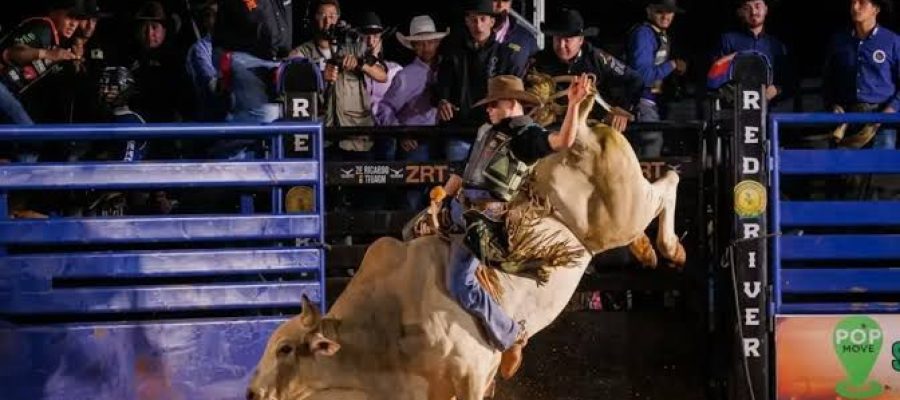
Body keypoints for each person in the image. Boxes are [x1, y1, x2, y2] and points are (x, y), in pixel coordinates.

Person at [440, 73, 592, 380]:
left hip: (484, 218)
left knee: (460, 283)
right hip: (460, 206)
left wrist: (574, 105)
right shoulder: (489, 131)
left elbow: (562, 141)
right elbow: (465, 170)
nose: (488, 109)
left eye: (493, 104)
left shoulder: (527, 136)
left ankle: (510, 336)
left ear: (511, 104)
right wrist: (442, 196)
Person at [823, 0, 900, 150]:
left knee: (880, 169)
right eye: (852, 2)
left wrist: (889, 111)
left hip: (881, 122)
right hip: (846, 120)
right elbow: (828, 80)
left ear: (876, 9)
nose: (855, 7)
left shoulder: (893, 41)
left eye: (862, 2)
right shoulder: (839, 41)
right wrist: (832, 105)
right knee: (847, 171)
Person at [626, 0, 688, 157]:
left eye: (670, 11)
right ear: (649, 10)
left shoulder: (659, 33)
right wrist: (672, 65)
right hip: (642, 101)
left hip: (655, 102)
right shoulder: (643, 34)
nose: (666, 15)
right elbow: (642, 77)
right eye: (660, 11)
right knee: (651, 146)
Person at [713, 0, 792, 105]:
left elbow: (788, 81)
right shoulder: (728, 40)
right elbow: (716, 77)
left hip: (769, 110)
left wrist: (776, 90)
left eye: (758, 6)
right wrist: (737, 96)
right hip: (735, 108)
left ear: (766, 9)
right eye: (747, 8)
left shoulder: (777, 45)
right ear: (740, 12)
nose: (753, 12)